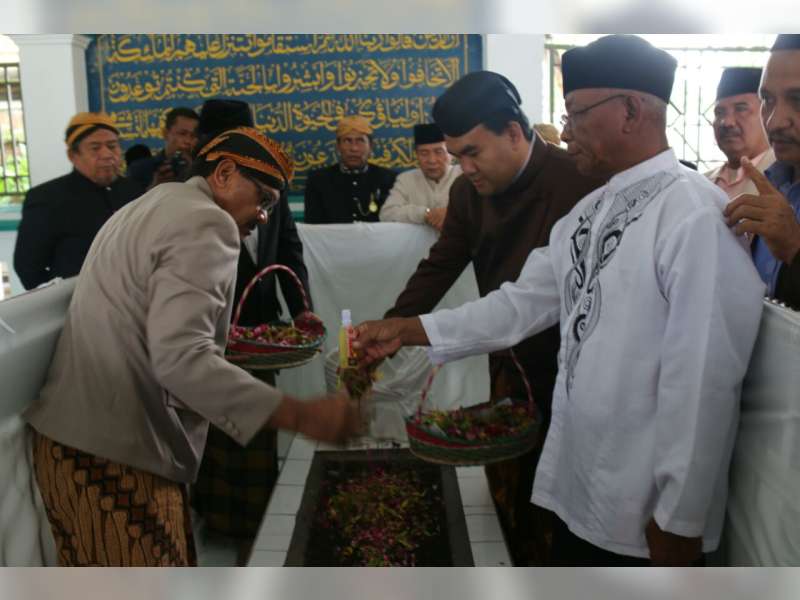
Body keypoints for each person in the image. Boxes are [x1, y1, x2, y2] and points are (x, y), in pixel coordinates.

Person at [355, 35, 765, 566]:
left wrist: (680, 518)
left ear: (631, 111)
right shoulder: (588, 213)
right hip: (582, 486)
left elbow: (705, 378)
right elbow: (519, 305)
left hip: (647, 512)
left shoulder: (695, 215)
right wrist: (407, 330)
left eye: (576, 114)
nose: (565, 131)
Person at [23, 127, 362, 566]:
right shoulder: (208, 221)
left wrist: (231, 341)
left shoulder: (151, 203)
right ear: (223, 173)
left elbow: (150, 322)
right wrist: (301, 414)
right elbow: (181, 359)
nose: (262, 217)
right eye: (262, 200)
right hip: (117, 453)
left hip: (74, 444)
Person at [383, 70, 602, 565]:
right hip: (509, 363)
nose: (463, 167)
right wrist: (392, 328)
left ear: (513, 132)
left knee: (563, 504)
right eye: (455, 154)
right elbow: (440, 265)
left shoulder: (581, 185)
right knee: (511, 491)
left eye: (471, 153)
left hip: (576, 372)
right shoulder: (466, 194)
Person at [189, 99, 313, 565]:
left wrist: (301, 311)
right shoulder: (194, 199)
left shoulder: (268, 191)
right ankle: (219, 520)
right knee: (218, 427)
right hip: (210, 333)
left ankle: (255, 524)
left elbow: (287, 249)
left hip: (263, 331)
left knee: (257, 426)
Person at [13, 112, 144, 290]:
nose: (106, 154)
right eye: (95, 148)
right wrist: (59, 301)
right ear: (73, 156)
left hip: (135, 299)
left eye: (112, 146)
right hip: (77, 306)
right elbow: (28, 268)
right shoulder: (47, 198)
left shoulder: (134, 192)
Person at [725, 34, 800, 309]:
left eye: (798, 100)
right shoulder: (775, 185)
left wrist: (795, 248)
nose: (774, 121)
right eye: (767, 99)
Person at [303, 115, 397, 223]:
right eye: (347, 141)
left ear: (371, 146)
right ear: (338, 146)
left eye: (360, 141)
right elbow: (313, 226)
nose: (354, 148)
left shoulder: (389, 179)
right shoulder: (318, 180)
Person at [705, 67, 775, 199]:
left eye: (741, 109)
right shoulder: (702, 182)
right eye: (719, 113)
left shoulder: (786, 176)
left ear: (765, 113)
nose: (727, 122)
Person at [379, 123, 461, 231]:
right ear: (416, 155)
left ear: (451, 154)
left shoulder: (463, 174)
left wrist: (451, 213)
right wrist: (425, 214)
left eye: (439, 152)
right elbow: (386, 214)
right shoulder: (406, 179)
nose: (432, 160)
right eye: (424, 153)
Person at [127, 106, 200, 189]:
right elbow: (133, 201)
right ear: (165, 133)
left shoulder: (203, 169)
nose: (188, 141)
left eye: (193, 135)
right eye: (182, 134)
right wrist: (155, 186)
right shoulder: (140, 169)